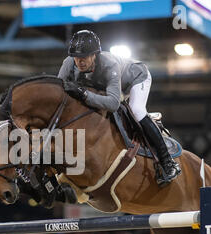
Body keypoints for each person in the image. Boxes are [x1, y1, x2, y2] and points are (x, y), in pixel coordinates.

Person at [57, 29, 181, 186]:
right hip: (108, 87)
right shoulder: (68, 64)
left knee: (136, 110)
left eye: (84, 57)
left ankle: (168, 162)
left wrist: (83, 94)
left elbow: (114, 103)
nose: (80, 61)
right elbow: (59, 90)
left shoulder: (109, 64)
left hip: (135, 79)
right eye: (76, 57)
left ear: (95, 54)